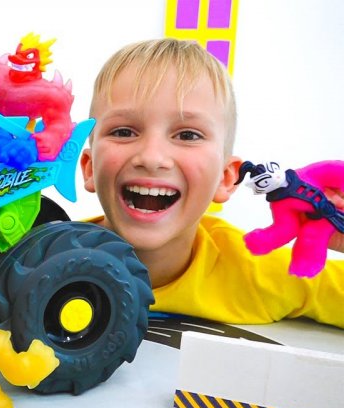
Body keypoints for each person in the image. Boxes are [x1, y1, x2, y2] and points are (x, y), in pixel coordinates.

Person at [79, 38, 344, 328]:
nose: (152, 158)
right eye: (124, 131)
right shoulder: (41, 254)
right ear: (90, 168)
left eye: (188, 135)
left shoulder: (257, 272)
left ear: (226, 177)